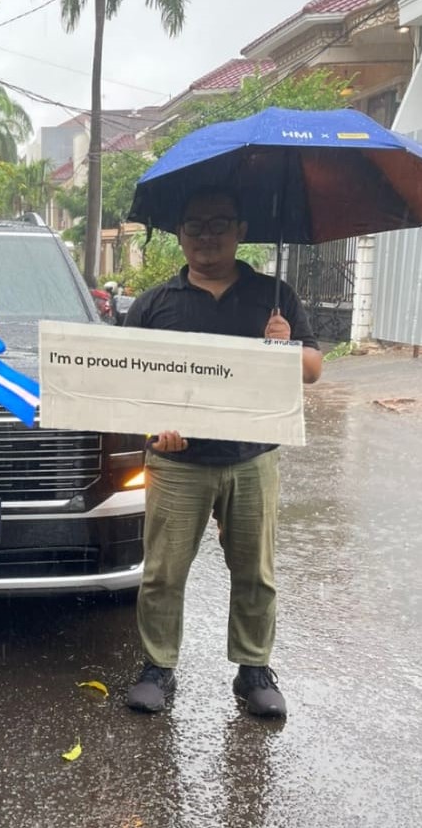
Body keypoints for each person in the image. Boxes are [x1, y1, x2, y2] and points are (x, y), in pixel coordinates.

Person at [122, 188, 322, 719]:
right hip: (176, 463)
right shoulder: (154, 304)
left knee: (255, 571)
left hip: (252, 457)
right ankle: (157, 667)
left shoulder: (274, 297)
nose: (206, 236)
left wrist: (285, 346)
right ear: (179, 234)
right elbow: (127, 382)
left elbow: (312, 370)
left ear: (241, 230)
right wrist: (153, 430)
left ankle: (254, 670)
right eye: (194, 225)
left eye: (218, 224)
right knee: (163, 573)